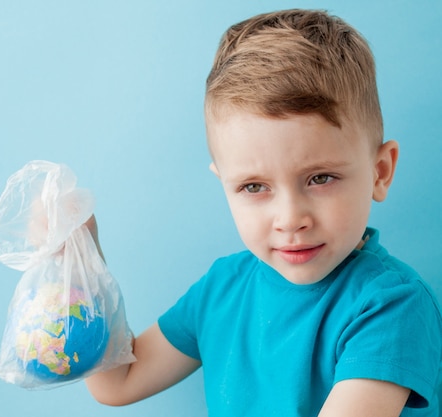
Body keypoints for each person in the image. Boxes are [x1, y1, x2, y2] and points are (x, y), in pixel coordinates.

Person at [85, 9, 442, 416]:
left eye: (321, 178)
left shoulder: (391, 305)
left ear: (380, 172)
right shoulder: (222, 289)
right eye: (254, 187)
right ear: (224, 183)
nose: (290, 219)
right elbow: (118, 382)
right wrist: (79, 265)